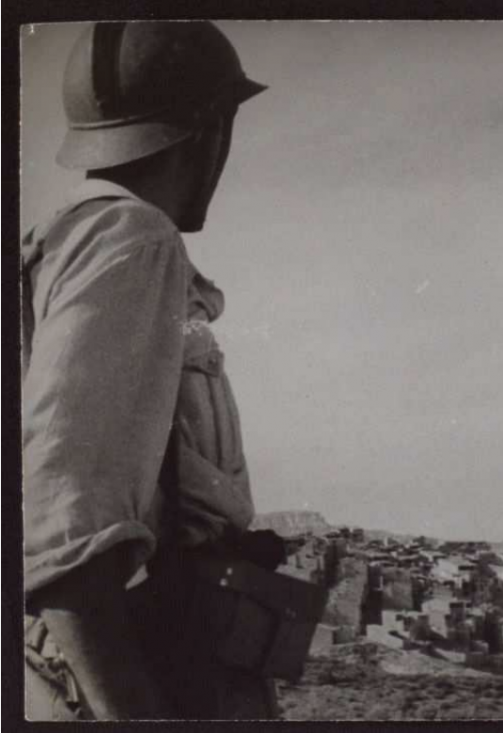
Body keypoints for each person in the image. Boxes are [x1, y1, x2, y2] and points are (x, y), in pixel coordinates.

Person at [22, 21, 277, 720]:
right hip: (138, 676)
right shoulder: (134, 235)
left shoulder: (60, 243)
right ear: (210, 129)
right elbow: (63, 536)